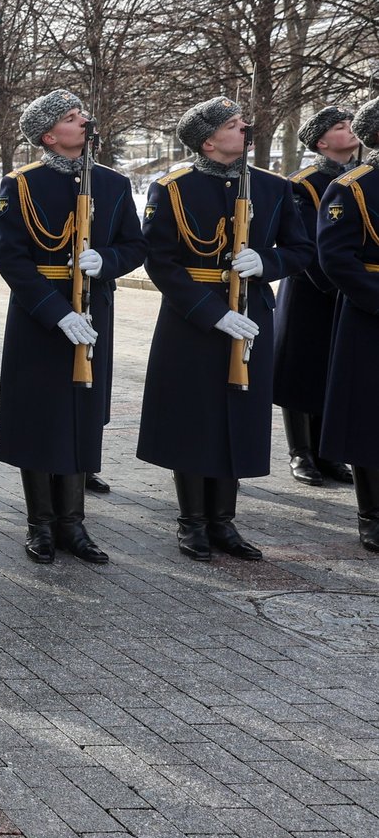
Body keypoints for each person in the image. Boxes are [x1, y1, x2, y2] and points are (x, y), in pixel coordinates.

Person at [137, 97, 311, 561]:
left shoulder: (272, 188)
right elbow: (162, 262)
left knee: (237, 416)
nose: (245, 128)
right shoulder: (171, 188)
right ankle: (192, 522)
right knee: (194, 418)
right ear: (210, 140)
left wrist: (267, 261)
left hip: (251, 311)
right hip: (191, 317)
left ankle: (224, 522)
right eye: (234, 125)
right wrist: (210, 311)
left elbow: (301, 249)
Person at [0, 91, 144, 564]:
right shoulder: (19, 184)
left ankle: (74, 524)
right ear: (48, 135)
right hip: (40, 315)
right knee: (38, 416)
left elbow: (135, 247)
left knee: (80, 411)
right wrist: (57, 312)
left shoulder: (114, 184)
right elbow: (12, 258)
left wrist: (109, 261)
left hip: (94, 308)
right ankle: (40, 524)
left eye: (82, 115)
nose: (84, 122)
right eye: (72, 118)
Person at [273, 106, 359, 486]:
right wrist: (337, 285)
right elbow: (307, 242)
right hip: (311, 288)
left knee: (332, 369)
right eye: (341, 127)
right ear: (322, 142)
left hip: (347, 288)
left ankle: (327, 453)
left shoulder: (359, 177)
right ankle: (301, 453)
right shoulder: (303, 183)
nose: (350, 130)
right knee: (301, 369)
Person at [314, 98, 379, 551]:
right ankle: (372, 513)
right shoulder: (352, 186)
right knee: (370, 416)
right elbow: (336, 256)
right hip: (370, 314)